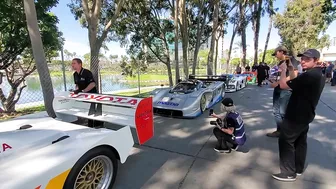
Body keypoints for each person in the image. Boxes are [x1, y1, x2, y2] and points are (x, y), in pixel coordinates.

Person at [272, 49, 325, 182]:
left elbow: (284, 85)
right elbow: (295, 82)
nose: (303, 61)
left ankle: (288, 173)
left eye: (307, 59)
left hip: (296, 115)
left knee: (286, 140)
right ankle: (298, 168)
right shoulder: (318, 74)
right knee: (300, 141)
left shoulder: (309, 76)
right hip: (306, 114)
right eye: (302, 58)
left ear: (316, 60)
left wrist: (283, 71)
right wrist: (290, 69)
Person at [266, 46, 293, 138]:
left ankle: (287, 132)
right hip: (278, 89)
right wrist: (272, 80)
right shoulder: (280, 63)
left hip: (286, 90)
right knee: (275, 111)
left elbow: (294, 76)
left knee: (282, 112)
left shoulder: (290, 60)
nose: (275, 56)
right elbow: (279, 75)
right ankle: (280, 131)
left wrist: (277, 83)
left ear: (281, 51)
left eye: (276, 53)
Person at [72, 58, 101, 127]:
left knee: (93, 113)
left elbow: (92, 84)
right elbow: (77, 85)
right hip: (83, 96)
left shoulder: (87, 72)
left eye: (74, 63)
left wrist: (83, 91)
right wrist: (77, 90)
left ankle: (98, 126)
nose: (72, 65)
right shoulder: (75, 74)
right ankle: (89, 126)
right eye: (72, 63)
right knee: (87, 113)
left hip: (91, 95)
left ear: (80, 64)